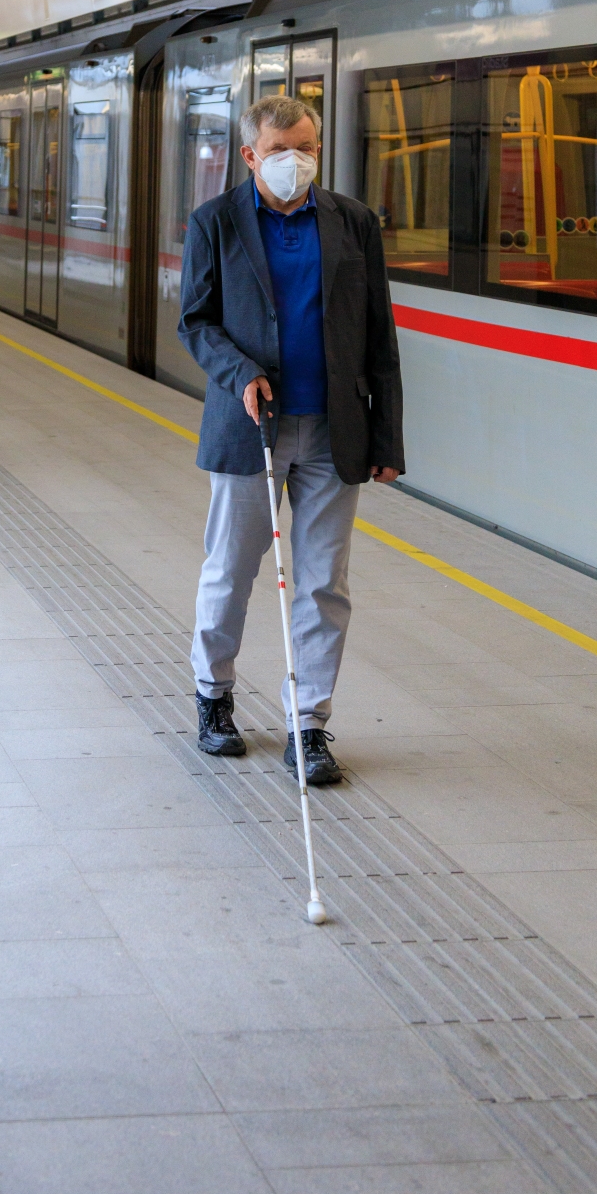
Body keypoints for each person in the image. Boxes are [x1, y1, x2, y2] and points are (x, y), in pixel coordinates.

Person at [178, 94, 404, 784]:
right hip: (251, 427)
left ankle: (309, 725)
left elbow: (378, 335)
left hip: (335, 428)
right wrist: (239, 371)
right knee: (233, 571)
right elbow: (196, 321)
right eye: (280, 152)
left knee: (324, 583)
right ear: (250, 156)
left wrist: (387, 438)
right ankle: (214, 700)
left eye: (306, 148)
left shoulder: (352, 222)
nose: (295, 163)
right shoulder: (214, 221)